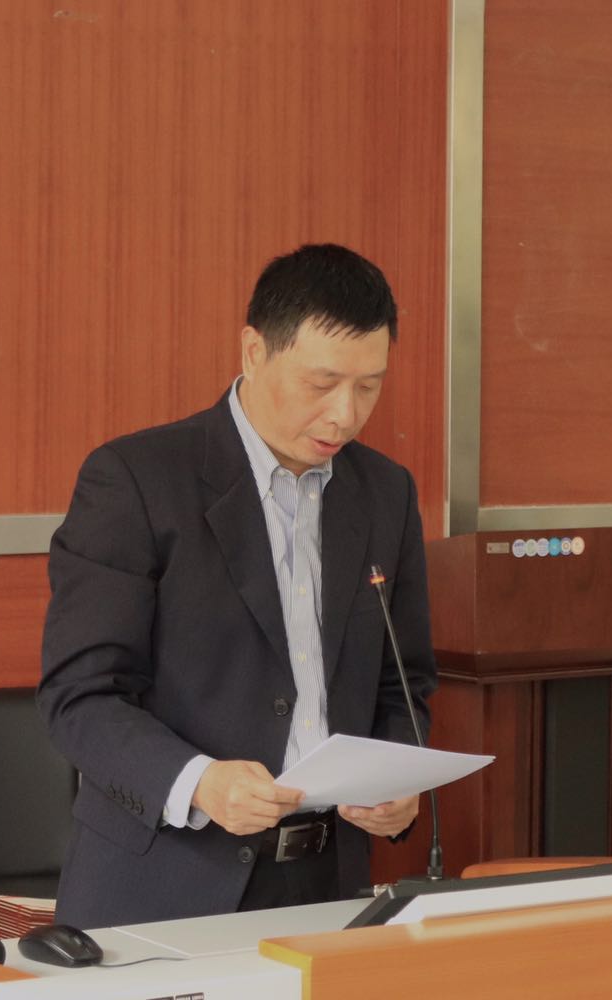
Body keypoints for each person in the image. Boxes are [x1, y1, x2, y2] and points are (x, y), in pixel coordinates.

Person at [37, 243, 437, 929]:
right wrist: (199, 782)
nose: (345, 414)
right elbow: (80, 697)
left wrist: (398, 780)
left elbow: (404, 683)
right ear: (254, 351)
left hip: (328, 881)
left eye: (369, 387)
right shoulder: (136, 481)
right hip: (165, 885)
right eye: (321, 384)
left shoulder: (385, 494)